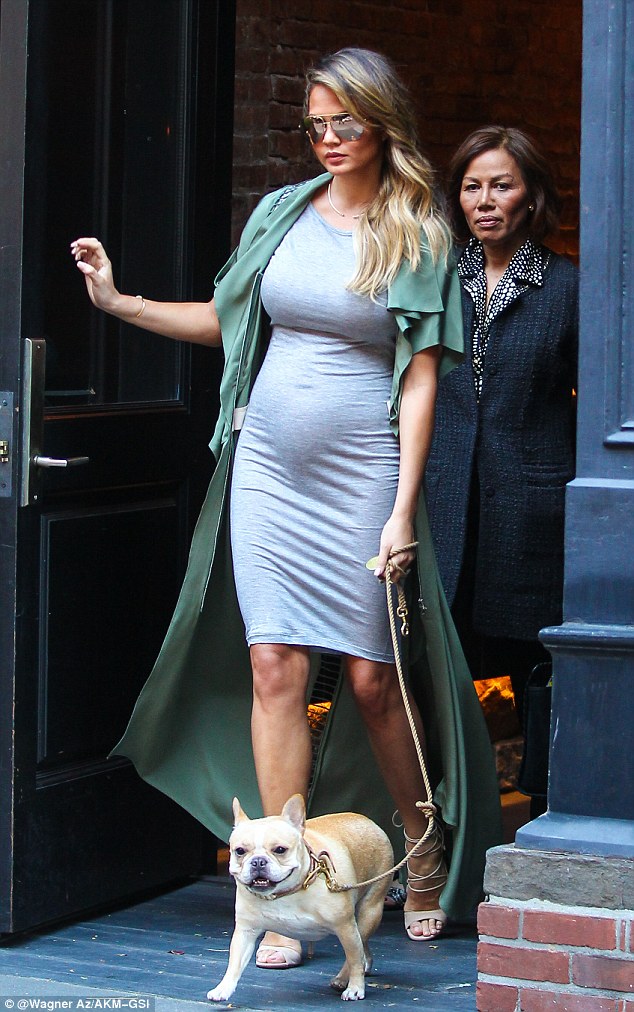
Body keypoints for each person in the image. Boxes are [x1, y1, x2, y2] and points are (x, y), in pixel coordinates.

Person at [71, 49, 501, 962]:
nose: (329, 139)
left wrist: (402, 508)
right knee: (274, 667)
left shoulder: (417, 231)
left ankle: (421, 850)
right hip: (267, 468)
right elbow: (229, 322)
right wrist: (118, 302)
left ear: (382, 123)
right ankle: (290, 889)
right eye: (315, 124)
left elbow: (422, 378)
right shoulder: (281, 212)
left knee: (375, 681)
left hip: (364, 472)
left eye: (346, 122)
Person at [425, 126, 578, 813]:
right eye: (472, 187)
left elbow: (593, 403)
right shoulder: (435, 280)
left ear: (531, 197)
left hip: (531, 508)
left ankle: (546, 810)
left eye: (502, 185)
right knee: (437, 665)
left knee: (534, 665)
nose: (485, 201)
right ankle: (444, 814)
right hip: (444, 500)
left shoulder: (567, 287)